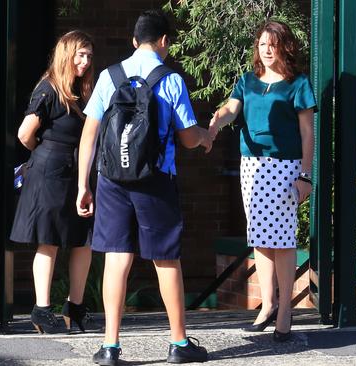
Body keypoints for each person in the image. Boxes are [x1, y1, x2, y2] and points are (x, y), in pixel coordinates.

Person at [76, 10, 211, 365]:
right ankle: (179, 344)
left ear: (134, 41)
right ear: (164, 41)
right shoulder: (170, 80)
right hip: (155, 180)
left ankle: (110, 347)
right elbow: (186, 137)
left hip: (111, 180)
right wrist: (206, 137)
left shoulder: (109, 76)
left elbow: (90, 133)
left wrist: (82, 185)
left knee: (117, 258)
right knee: (166, 258)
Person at [208, 20, 316, 342]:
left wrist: (305, 176)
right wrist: (217, 121)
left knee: (282, 240)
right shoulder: (247, 81)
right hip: (251, 167)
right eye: (262, 44)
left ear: (285, 46)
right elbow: (231, 109)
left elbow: (308, 132)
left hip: (285, 167)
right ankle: (267, 304)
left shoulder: (298, 84)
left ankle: (285, 311)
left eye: (273, 44)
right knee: (260, 237)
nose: (266, 50)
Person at [10, 30, 97, 334]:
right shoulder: (48, 89)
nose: (85, 61)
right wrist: (42, 154)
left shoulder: (83, 90)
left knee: (83, 240)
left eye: (88, 55)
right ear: (66, 54)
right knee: (49, 240)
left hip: (77, 172)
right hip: (49, 170)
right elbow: (24, 133)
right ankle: (42, 310)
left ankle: (75, 306)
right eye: (80, 54)